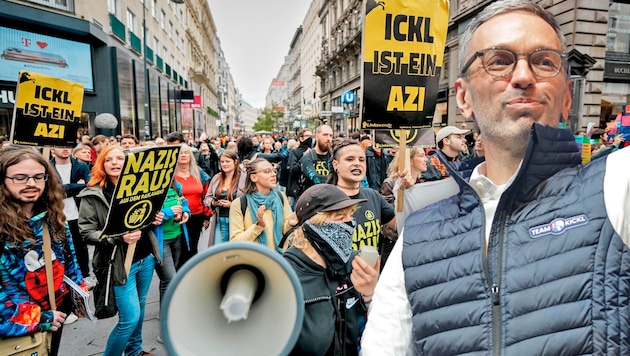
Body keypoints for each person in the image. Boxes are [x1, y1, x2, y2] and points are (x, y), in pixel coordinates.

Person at [361, 1, 630, 355]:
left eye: (544, 62)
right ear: (464, 97)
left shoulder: (614, 187)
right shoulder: (416, 236)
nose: (523, 76)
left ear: (566, 97)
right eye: (499, 61)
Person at [78, 145, 162, 356]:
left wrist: (153, 218)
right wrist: (119, 237)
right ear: (101, 164)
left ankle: (134, 351)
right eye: (109, 159)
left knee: (140, 309)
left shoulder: (139, 187)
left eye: (120, 159)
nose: (115, 163)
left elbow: (141, 218)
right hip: (117, 264)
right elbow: (87, 232)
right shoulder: (93, 194)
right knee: (129, 319)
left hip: (145, 258)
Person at [0, 146, 85, 356]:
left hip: (56, 314)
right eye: (20, 177)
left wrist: (78, 292)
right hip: (17, 330)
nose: (31, 183)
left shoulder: (52, 215)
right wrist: (40, 318)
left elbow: (68, 256)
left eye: (39, 176)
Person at [284, 184, 378, 356]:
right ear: (313, 226)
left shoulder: (356, 264)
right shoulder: (286, 276)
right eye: (339, 218)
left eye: (351, 215)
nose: (349, 223)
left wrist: (370, 296)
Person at [326, 140, 396, 251]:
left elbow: (401, 225)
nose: (357, 163)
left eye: (361, 160)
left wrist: (406, 191)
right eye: (350, 159)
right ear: (336, 165)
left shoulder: (373, 196)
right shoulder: (325, 200)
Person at [49, 147, 93, 291]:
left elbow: (87, 186)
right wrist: (76, 186)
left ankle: (85, 276)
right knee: (61, 248)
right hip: (58, 215)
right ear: (52, 149)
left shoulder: (81, 166)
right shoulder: (48, 167)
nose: (65, 149)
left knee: (81, 247)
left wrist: (61, 189)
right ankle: (66, 279)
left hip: (78, 213)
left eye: (67, 146)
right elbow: (49, 190)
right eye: (60, 146)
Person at [378, 147, 428, 269]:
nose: (426, 159)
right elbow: (390, 218)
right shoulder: (391, 183)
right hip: (394, 242)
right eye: (421, 155)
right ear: (409, 160)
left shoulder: (422, 184)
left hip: (416, 241)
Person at [153, 180, 189, 343]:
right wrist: (168, 212)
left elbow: (183, 202)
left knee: (167, 281)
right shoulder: (149, 187)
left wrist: (186, 212)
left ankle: (163, 313)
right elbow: (148, 215)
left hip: (177, 236)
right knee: (171, 281)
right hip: (161, 241)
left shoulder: (176, 185)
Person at [229, 157, 292, 252]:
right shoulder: (239, 204)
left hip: (280, 260)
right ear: (254, 177)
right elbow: (235, 242)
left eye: (274, 171)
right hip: (254, 261)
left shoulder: (280, 197)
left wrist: (292, 223)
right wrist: (258, 226)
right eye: (267, 171)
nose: (273, 175)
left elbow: (286, 232)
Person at [173, 144, 211, 268]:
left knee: (193, 249)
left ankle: (191, 275)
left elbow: (205, 194)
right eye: (180, 153)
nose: (183, 155)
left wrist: (207, 216)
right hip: (177, 218)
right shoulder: (171, 175)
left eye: (186, 153)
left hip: (196, 216)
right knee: (181, 250)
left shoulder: (198, 172)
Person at [203, 150, 246, 246]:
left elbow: (250, 200)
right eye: (222, 162)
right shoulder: (217, 178)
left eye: (227, 161)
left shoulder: (244, 178)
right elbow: (207, 198)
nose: (224, 164)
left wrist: (233, 205)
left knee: (236, 251)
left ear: (235, 162)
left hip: (238, 222)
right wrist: (213, 203)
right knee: (219, 252)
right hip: (220, 221)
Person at [300, 125, 334, 190]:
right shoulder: (308, 157)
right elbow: (315, 179)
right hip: (313, 197)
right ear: (317, 136)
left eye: (331, 136)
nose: (328, 138)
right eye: (325, 135)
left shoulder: (334, 156)